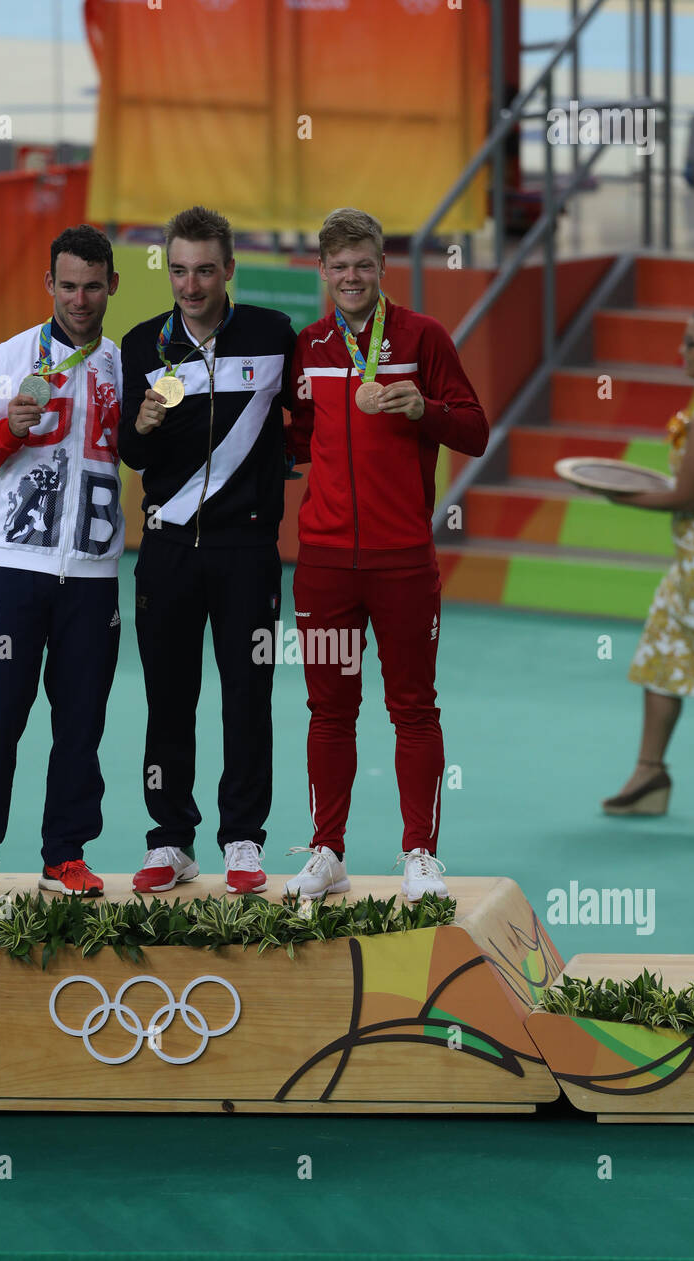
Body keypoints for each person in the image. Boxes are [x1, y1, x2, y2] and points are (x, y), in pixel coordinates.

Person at [284, 208, 488, 900]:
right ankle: (326, 850)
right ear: (322, 271)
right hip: (325, 562)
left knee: (413, 708)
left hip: (403, 558)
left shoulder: (422, 338)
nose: (351, 277)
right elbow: (295, 436)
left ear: (382, 269)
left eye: (363, 265)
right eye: (338, 266)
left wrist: (423, 408)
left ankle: (420, 854)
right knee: (328, 711)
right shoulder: (309, 346)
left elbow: (476, 431)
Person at [0, 225, 123, 901]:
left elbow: (140, 451)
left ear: (111, 287)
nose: (79, 298)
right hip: (19, 569)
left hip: (95, 577)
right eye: (67, 285)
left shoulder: (124, 366)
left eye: (92, 285)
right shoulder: (9, 357)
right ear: (49, 285)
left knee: (80, 723)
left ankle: (65, 855)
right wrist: (8, 427)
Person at [118, 206, 297, 895]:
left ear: (229, 270)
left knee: (248, 696)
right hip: (165, 551)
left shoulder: (273, 336)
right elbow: (131, 453)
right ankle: (170, 841)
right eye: (179, 270)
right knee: (169, 698)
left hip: (248, 550)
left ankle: (244, 840)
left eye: (204, 271)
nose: (190, 285)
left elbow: (307, 417)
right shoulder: (143, 346)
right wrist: (140, 423)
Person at [602, 306, 694, 815]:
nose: (682, 352)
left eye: (693, 344)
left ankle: (650, 773)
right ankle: (649, 776)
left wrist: (617, 495)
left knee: (665, 653)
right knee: (661, 656)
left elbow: (687, 495)